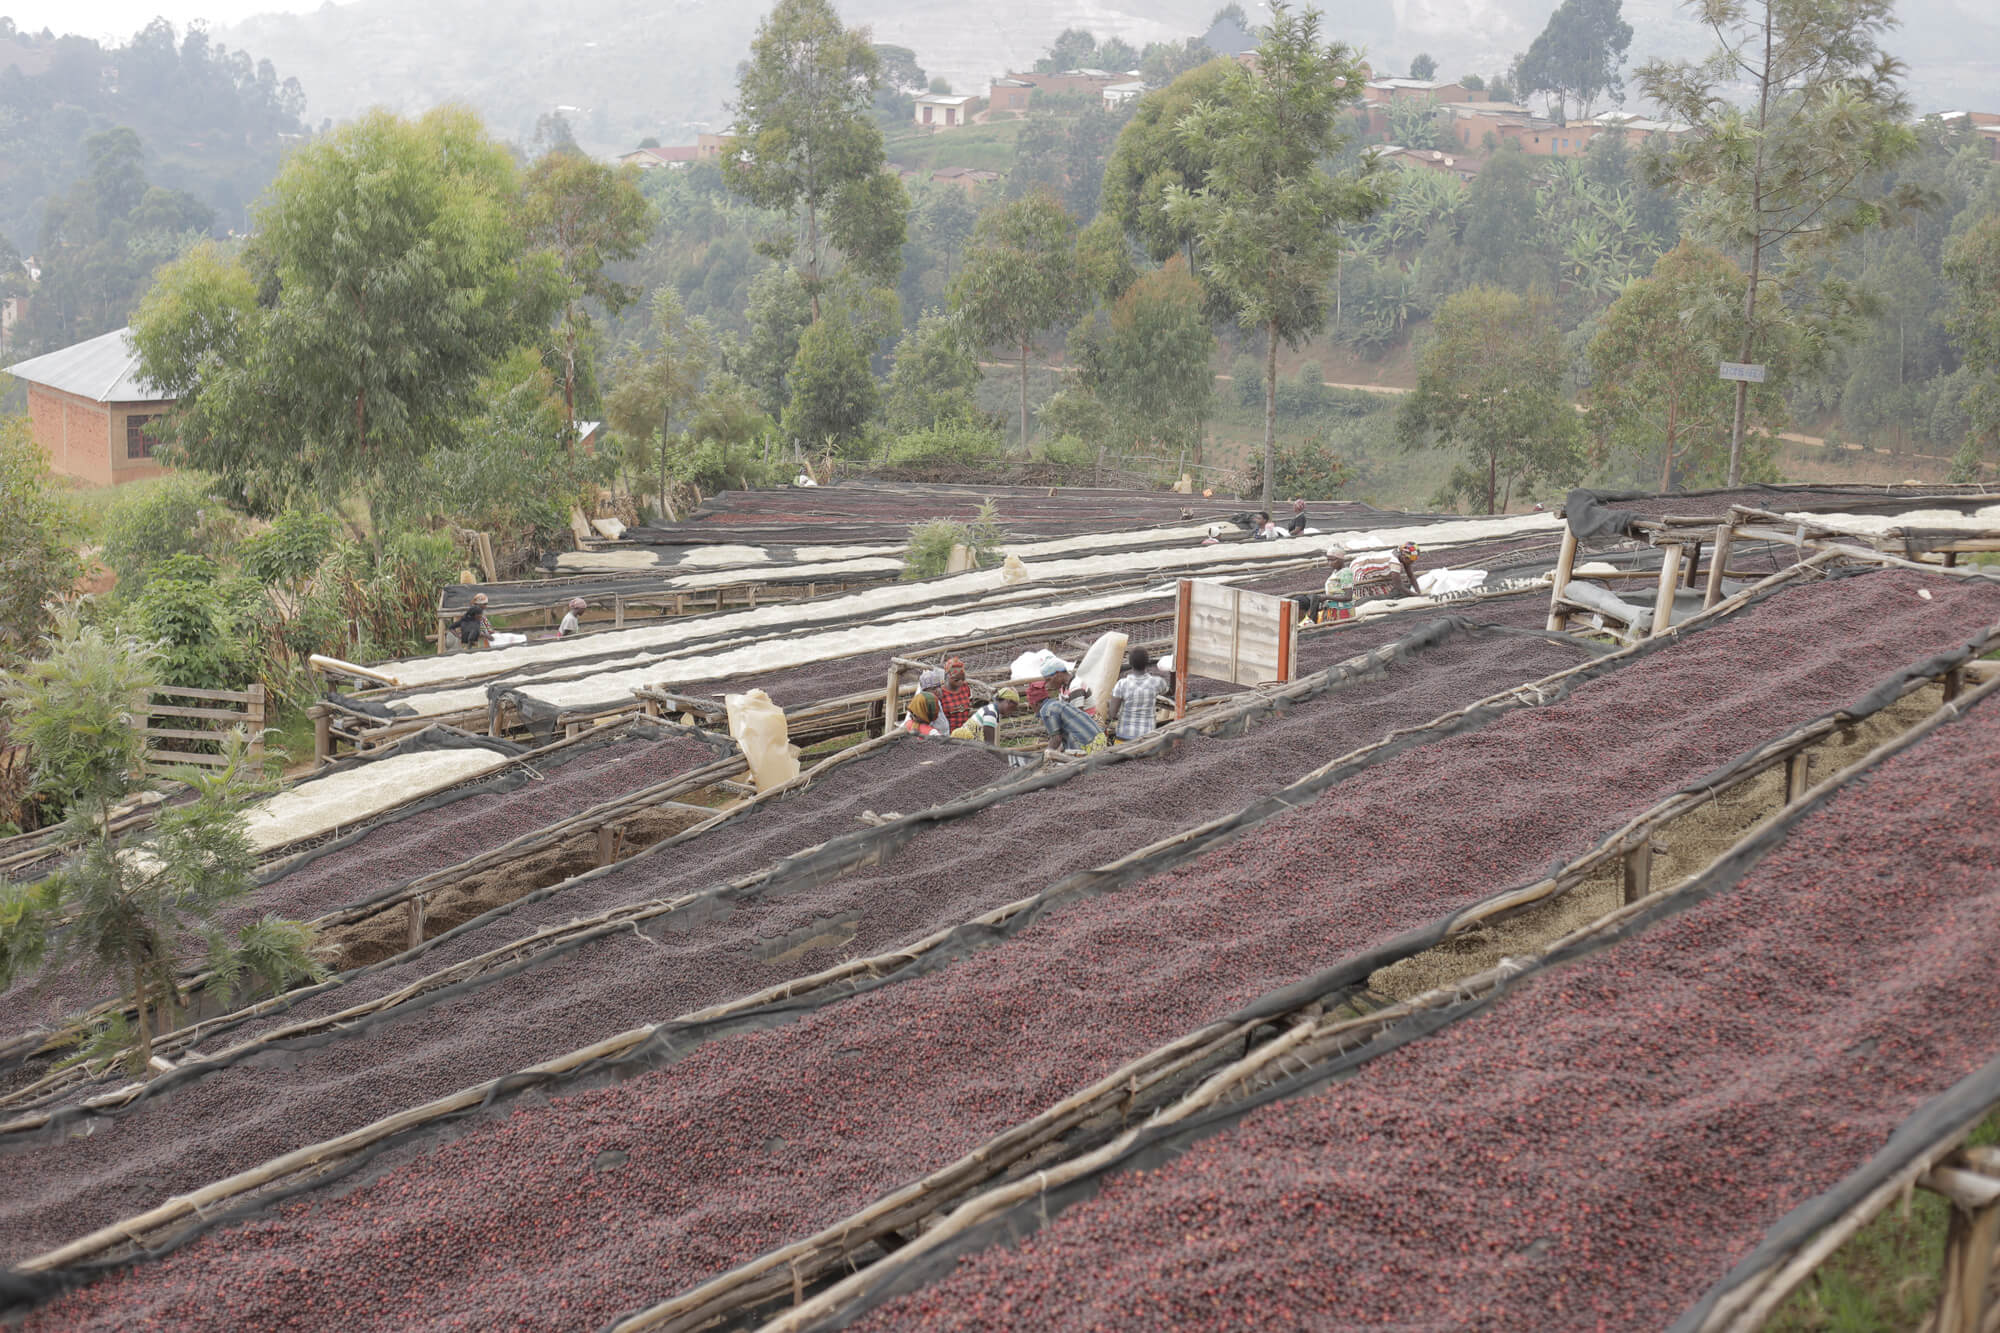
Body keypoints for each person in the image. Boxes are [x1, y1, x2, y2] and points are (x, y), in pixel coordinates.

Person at [1035, 663, 1106, 755]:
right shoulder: (1064, 687)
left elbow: (1076, 717)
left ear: (1058, 674)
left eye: (1049, 680)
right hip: (1081, 730)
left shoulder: (1076, 687)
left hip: (1089, 730)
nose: (1048, 684)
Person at [1103, 646, 1168, 743]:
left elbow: (1112, 714)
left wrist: (1111, 705)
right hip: (1147, 736)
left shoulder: (1122, 684)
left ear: (1130, 663)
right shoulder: (1157, 682)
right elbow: (1168, 692)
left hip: (1124, 736)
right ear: (1147, 662)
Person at [951, 687, 1021, 743]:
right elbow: (989, 745)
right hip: (963, 743)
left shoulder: (993, 711)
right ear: (1007, 702)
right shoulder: (991, 713)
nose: (1012, 711)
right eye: (1013, 708)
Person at [936, 657, 974, 732]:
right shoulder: (941, 693)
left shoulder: (965, 687)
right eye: (956, 679)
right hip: (948, 734)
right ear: (947, 676)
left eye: (962, 679)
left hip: (965, 731)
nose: (960, 682)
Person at [1321, 551, 1357, 623]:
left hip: (1343, 610)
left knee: (1342, 631)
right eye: (1328, 560)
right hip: (1335, 609)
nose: (1330, 563)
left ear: (1341, 560)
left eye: (1333, 560)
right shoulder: (1336, 571)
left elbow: (1348, 597)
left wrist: (1326, 597)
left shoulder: (1345, 573)